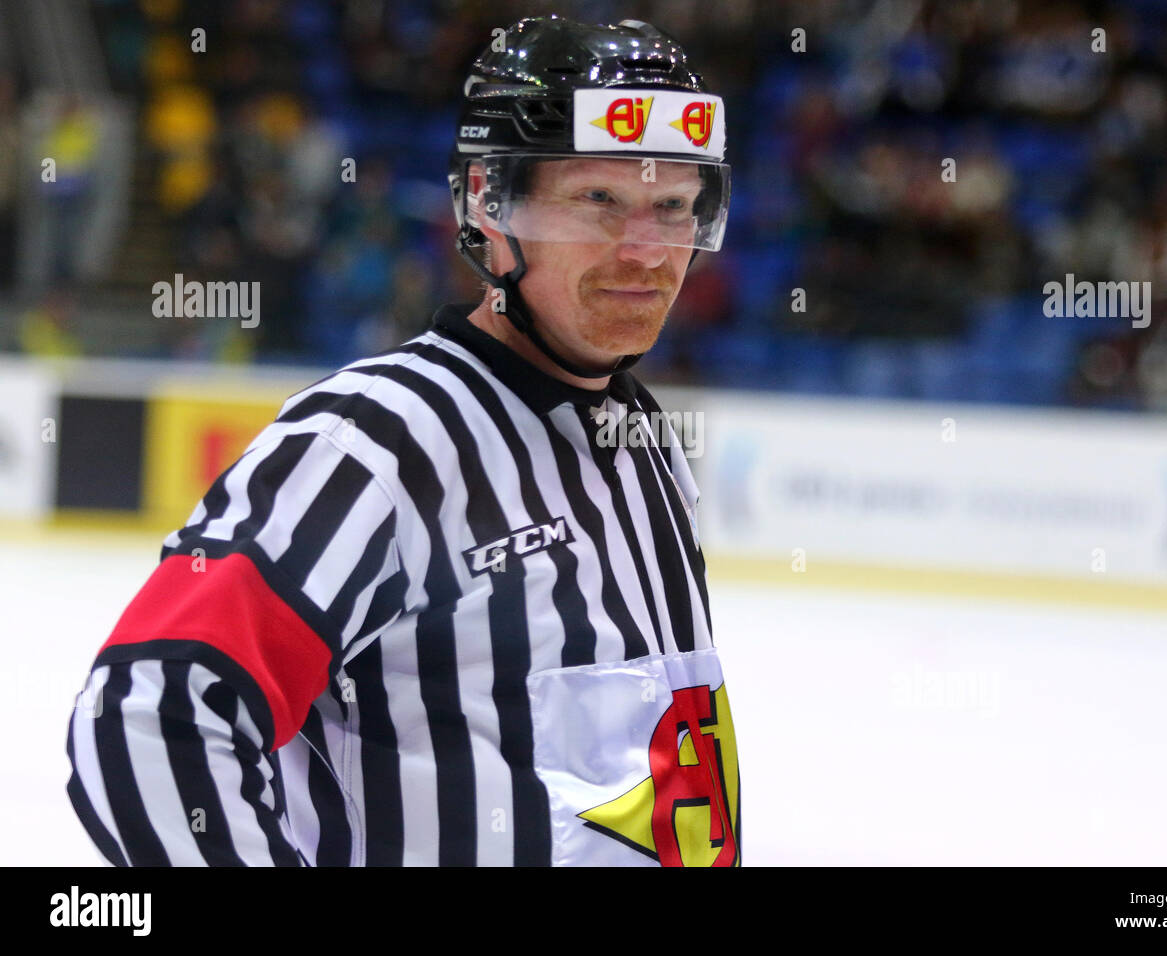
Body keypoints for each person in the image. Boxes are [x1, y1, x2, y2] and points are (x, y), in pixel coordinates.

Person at [66, 15, 741, 867]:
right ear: (490, 208)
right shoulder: (374, 443)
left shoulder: (644, 438)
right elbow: (150, 712)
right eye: (598, 201)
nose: (648, 252)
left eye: (674, 207)